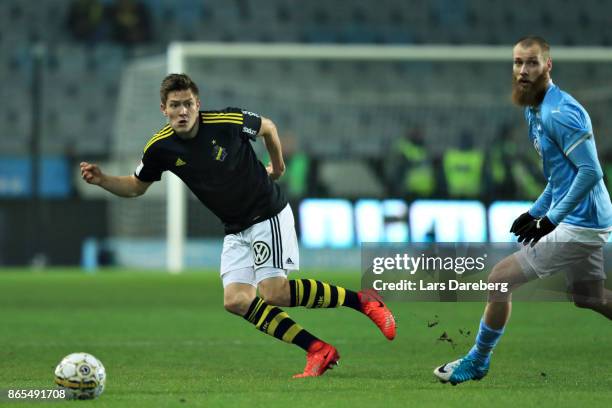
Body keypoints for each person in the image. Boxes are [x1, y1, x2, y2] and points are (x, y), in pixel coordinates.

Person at [80, 73, 396, 378]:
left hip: (266, 212)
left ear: (198, 103)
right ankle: (317, 349)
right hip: (235, 226)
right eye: (175, 105)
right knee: (236, 300)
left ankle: (364, 301)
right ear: (164, 109)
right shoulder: (160, 148)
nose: (183, 111)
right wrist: (102, 180)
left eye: (188, 103)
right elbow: (136, 186)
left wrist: (279, 166)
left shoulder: (226, 122)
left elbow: (268, 128)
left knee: (274, 292)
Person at [433, 36, 612, 385]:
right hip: (586, 217)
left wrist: (550, 221)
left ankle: (478, 360)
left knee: (499, 280)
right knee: (589, 297)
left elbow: (591, 172)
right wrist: (535, 211)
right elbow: (561, 177)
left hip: (580, 221)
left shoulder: (560, 112)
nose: (523, 70)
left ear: (548, 65)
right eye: (518, 63)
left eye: (531, 63)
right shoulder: (535, 110)